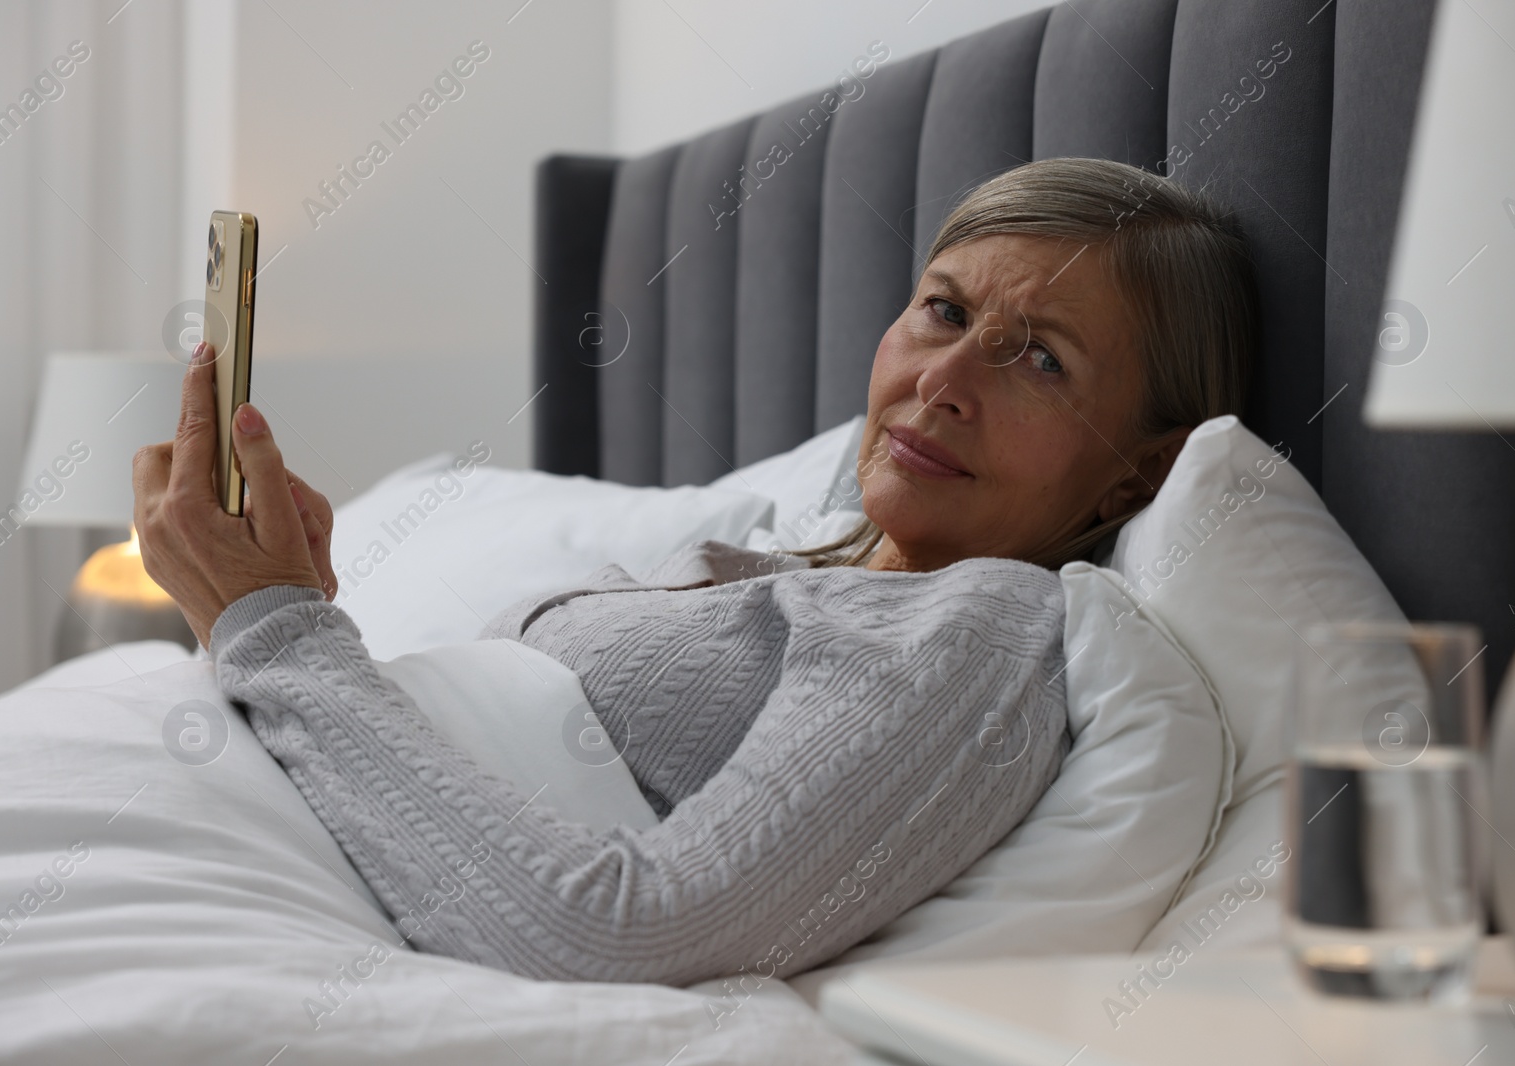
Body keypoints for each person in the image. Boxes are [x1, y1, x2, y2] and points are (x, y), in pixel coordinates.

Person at [132, 158, 1257, 988]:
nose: (946, 379)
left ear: (1129, 481)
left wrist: (274, 628)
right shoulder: (761, 563)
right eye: (944, 311)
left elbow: (621, 933)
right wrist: (288, 606)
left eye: (1040, 357)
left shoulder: (977, 628)